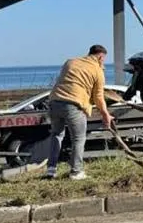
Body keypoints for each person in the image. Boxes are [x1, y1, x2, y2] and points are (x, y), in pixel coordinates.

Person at [46, 45, 113, 180]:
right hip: (73, 104)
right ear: (101, 57)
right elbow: (98, 97)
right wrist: (106, 115)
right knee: (78, 138)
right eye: (103, 60)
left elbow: (70, 80)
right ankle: (76, 172)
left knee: (57, 135)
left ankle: (51, 170)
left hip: (54, 101)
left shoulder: (70, 62)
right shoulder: (97, 70)